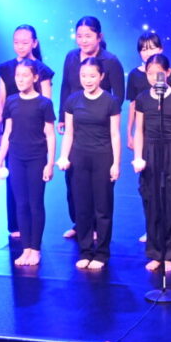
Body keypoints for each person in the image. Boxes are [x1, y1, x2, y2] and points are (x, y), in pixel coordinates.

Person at [57, 16, 124, 239]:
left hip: (99, 125)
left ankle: (97, 226)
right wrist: (62, 117)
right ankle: (80, 223)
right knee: (73, 179)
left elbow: (119, 94)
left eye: (88, 36)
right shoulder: (71, 57)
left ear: (99, 37)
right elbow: (65, 87)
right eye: (79, 36)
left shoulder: (110, 61)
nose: (83, 40)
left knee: (100, 184)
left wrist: (104, 114)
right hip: (75, 122)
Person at [58, 58, 122, 270]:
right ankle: (85, 251)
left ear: (101, 76)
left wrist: (116, 163)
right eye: (84, 75)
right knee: (82, 207)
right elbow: (69, 133)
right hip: (79, 158)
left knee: (102, 208)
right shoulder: (72, 100)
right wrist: (64, 156)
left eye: (92, 76)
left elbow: (115, 135)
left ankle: (102, 253)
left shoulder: (110, 101)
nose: (88, 80)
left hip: (103, 157)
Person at [0, 25, 55, 239]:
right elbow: (1, 101)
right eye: (16, 42)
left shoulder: (42, 70)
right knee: (14, 182)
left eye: (25, 42)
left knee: (33, 191)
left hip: (33, 135)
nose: (20, 46)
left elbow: (46, 103)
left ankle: (33, 236)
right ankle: (16, 226)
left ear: (34, 43)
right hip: (12, 130)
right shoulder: (6, 68)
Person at [133, 54, 171, 272]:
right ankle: (156, 253)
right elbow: (139, 131)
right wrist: (138, 156)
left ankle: (170, 254)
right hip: (150, 153)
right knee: (152, 203)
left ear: (167, 73)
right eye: (149, 73)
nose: (153, 77)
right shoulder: (142, 98)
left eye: (158, 73)